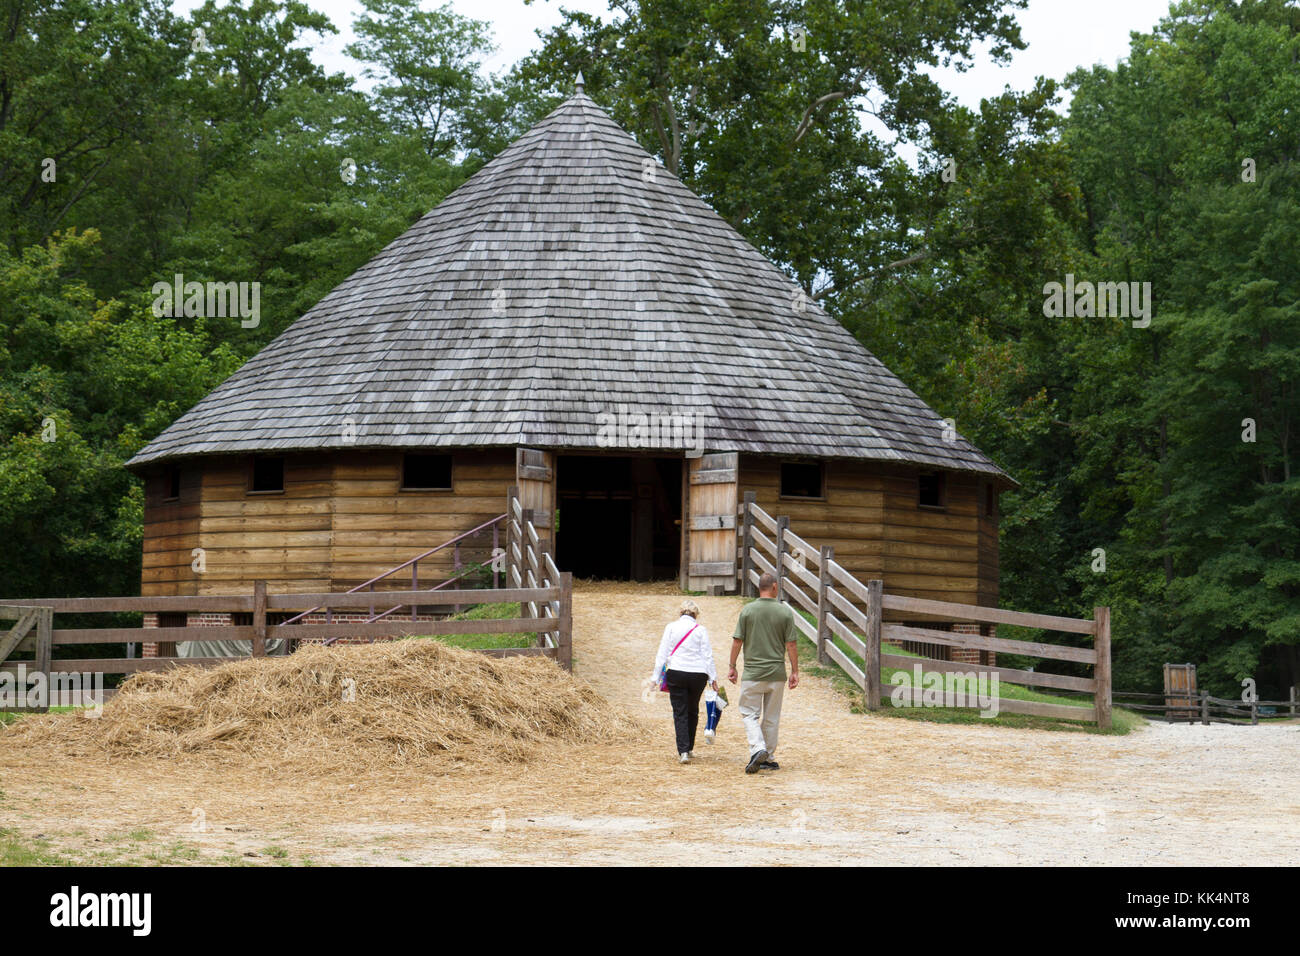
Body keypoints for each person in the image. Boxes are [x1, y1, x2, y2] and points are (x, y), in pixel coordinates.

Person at [729, 572, 799, 774]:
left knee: (749, 714)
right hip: (776, 673)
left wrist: (732, 666)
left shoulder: (748, 611)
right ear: (775, 587)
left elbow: (737, 641)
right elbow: (791, 644)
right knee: (771, 717)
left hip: (753, 673)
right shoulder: (785, 613)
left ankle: (758, 748)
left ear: (759, 588)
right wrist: (795, 671)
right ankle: (767, 756)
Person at [652, 599, 717, 763]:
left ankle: (683, 751)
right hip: (698, 674)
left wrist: (655, 677)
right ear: (695, 614)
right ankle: (689, 747)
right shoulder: (701, 630)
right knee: (692, 709)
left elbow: (662, 652)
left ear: (680, 613)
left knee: (680, 710)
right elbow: (707, 655)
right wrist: (713, 678)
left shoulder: (671, 627)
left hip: (676, 672)